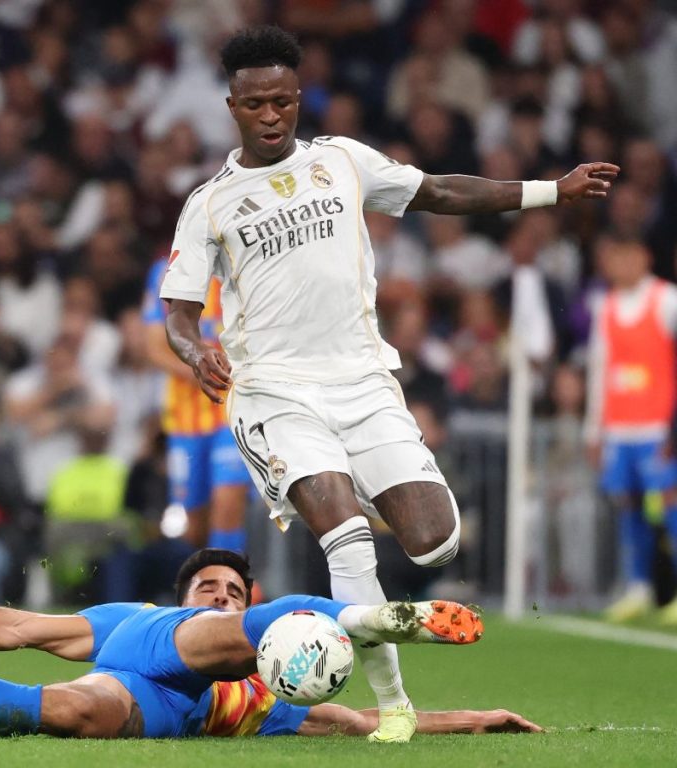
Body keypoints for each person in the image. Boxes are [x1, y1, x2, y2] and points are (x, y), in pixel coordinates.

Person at [159, 26, 618, 742]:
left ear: (299, 98)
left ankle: (363, 502)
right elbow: (178, 310)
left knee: (435, 543)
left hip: (365, 382)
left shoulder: (342, 161)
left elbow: (437, 190)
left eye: (283, 101)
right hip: (276, 393)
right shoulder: (210, 204)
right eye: (256, 105)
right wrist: (194, 351)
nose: (272, 115)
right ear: (232, 106)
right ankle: (395, 708)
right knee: (345, 539)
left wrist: (548, 191)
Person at [0, 549, 522, 740]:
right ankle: (366, 617)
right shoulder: (128, 617)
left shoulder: (268, 703)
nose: (223, 593)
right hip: (155, 653)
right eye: (210, 586)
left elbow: (364, 724)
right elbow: (11, 626)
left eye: (234, 590)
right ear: (184, 593)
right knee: (257, 628)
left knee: (59, 716)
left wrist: (481, 717)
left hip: (165, 706)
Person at [585, 237, 677, 623]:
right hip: (620, 430)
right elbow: (598, 370)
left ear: (645, 256)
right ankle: (638, 587)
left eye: (628, 254)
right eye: (614, 255)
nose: (621, 263)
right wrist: (593, 430)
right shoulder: (604, 307)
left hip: (658, 427)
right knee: (628, 510)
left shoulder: (667, 300)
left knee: (668, 509)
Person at [143, 256, 252, 550]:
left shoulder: (245, 261)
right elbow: (154, 346)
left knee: (228, 504)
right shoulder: (164, 271)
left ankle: (230, 587)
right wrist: (199, 366)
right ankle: (205, 583)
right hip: (185, 419)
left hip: (233, 409)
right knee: (194, 527)